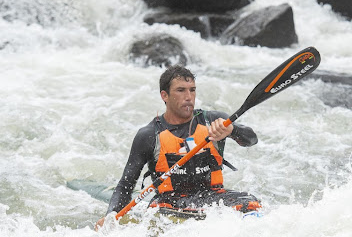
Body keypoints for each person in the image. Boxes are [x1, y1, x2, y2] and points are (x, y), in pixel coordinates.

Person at [96, 64, 261, 228]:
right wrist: (111, 216)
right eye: (181, 90)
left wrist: (232, 130)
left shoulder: (214, 121)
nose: (189, 96)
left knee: (252, 203)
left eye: (192, 90)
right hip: (169, 205)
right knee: (156, 213)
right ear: (164, 96)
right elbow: (126, 185)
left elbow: (251, 140)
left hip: (212, 197)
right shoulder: (148, 135)